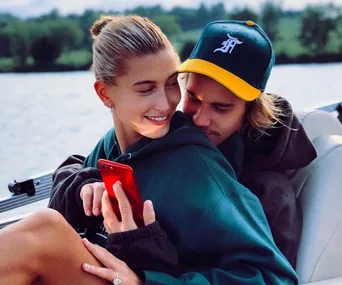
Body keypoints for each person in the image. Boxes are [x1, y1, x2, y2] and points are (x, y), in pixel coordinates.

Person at [0, 15, 298, 284]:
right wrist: (83, 185)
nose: (168, 103)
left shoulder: (203, 171)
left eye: (169, 84)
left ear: (250, 112)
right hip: (99, 268)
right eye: (190, 95)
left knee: (44, 231)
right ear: (106, 94)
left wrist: (145, 281)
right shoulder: (115, 143)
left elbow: (274, 278)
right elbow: (74, 187)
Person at [177, 20, 317, 268]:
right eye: (192, 97)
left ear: (251, 112)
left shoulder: (270, 195)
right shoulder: (166, 130)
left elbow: (269, 277)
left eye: (221, 107)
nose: (199, 119)